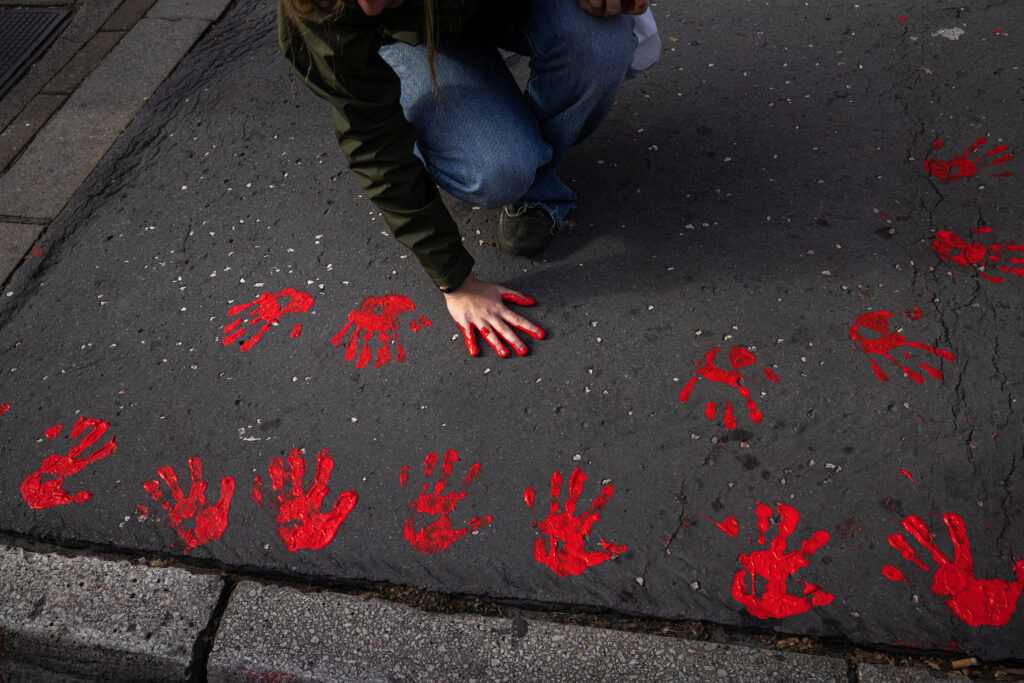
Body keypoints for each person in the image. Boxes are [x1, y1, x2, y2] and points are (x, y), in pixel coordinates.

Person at [278, 0, 646, 358]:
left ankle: (538, 182)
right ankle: (486, 139)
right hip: (407, 38)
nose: (370, 7)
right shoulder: (318, 5)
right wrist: (455, 282)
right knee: (497, 171)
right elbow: (372, 140)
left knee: (601, 44)